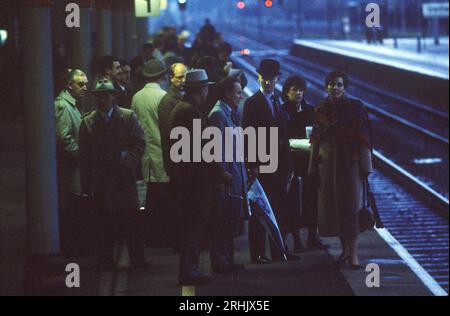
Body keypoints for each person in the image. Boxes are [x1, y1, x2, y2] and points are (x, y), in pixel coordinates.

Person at [79, 79, 147, 269]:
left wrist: (128, 161)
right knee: (104, 225)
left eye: (105, 97)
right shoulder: (89, 122)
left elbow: (140, 143)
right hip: (102, 182)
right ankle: (106, 260)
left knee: (131, 223)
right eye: (99, 97)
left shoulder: (127, 117)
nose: (102, 101)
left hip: (123, 179)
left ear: (114, 97)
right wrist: (86, 186)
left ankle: (137, 259)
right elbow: (84, 157)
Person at [169, 69, 228, 285]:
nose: (207, 92)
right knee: (193, 228)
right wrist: (221, 173)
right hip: (194, 183)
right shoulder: (190, 112)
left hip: (188, 181)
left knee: (192, 228)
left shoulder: (184, 109)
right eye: (205, 88)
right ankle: (188, 273)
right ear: (200, 89)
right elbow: (204, 149)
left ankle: (190, 270)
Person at [309, 70, 373, 269]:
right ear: (326, 86)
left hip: (350, 166)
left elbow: (364, 140)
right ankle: (344, 250)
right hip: (327, 166)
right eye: (331, 84)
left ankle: (354, 255)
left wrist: (366, 168)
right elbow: (315, 141)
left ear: (344, 87)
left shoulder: (355, 109)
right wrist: (312, 167)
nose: (335, 88)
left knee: (351, 210)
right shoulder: (320, 110)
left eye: (339, 84)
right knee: (334, 210)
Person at [242, 59, 299, 263]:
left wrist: (290, 166)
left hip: (280, 166)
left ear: (277, 79)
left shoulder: (275, 100)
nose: (268, 82)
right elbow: (248, 135)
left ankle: (279, 251)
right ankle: (257, 253)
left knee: (278, 208)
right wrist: (252, 165)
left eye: (271, 79)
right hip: (263, 165)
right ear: (259, 77)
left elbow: (283, 135)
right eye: (264, 79)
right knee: (260, 210)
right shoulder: (252, 103)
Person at [282, 75, 327, 252]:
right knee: (293, 201)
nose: (298, 93)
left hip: (309, 161)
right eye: (294, 90)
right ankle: (295, 238)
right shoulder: (282, 111)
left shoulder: (310, 110)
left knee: (312, 198)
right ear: (287, 92)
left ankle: (311, 236)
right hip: (292, 162)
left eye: (300, 90)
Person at [208, 76, 248, 274]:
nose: (240, 96)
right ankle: (221, 261)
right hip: (226, 178)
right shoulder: (218, 115)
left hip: (233, 175)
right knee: (222, 222)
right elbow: (215, 148)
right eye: (238, 92)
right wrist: (221, 172)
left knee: (229, 221)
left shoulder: (228, 112)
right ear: (227, 94)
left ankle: (227, 260)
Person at [131, 59, 170, 246]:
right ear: (162, 76)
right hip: (161, 153)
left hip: (144, 154)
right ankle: (162, 236)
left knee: (149, 196)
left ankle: (149, 236)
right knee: (163, 199)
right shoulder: (163, 96)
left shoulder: (136, 97)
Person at [55, 69, 88, 257]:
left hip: (74, 169)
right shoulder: (63, 106)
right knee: (71, 210)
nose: (84, 87)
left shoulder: (72, 105)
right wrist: (81, 157)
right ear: (69, 85)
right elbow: (63, 139)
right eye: (80, 84)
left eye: (85, 83)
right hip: (70, 170)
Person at [158, 63, 187, 177]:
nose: (184, 80)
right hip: (177, 161)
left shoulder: (182, 97)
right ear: (171, 78)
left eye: (185, 76)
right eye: (180, 77)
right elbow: (168, 135)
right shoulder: (167, 102)